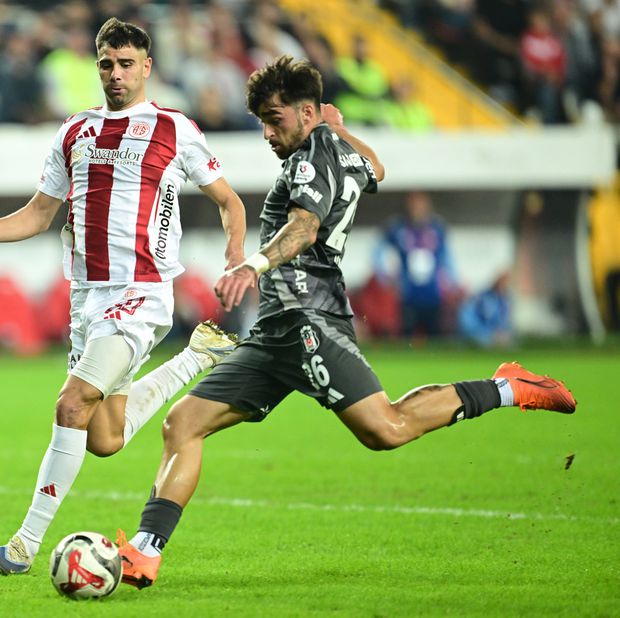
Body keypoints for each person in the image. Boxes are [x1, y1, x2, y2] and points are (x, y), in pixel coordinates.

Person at [115, 55, 576, 589]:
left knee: (387, 428)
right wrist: (340, 129)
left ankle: (509, 388)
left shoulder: (310, 157)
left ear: (306, 111)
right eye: (262, 121)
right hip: (276, 329)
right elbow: (377, 170)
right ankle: (145, 554)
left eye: (275, 118)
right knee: (183, 424)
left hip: (309, 319)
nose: (267, 132)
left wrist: (253, 263)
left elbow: (305, 228)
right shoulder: (335, 146)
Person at [0, 17, 247, 575]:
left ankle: (23, 545)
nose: (115, 74)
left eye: (126, 64)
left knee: (70, 402)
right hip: (86, 299)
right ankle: (196, 358)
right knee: (104, 438)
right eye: (106, 63)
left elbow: (230, 202)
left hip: (141, 291)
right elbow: (39, 213)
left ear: (147, 67)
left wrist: (236, 256)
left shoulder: (173, 128)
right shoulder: (75, 132)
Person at [374, 191, 457, 339]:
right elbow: (379, 251)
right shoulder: (398, 228)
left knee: (435, 338)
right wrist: (385, 277)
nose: (416, 208)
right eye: (413, 204)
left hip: (433, 294)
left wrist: (451, 282)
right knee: (407, 337)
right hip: (408, 295)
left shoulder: (437, 228)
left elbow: (447, 257)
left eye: (420, 204)